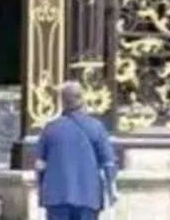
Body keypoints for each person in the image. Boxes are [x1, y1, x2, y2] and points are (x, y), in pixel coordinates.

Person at [33, 81, 117, 220]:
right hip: (88, 196)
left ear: (62, 102)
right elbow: (108, 163)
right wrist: (111, 189)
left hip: (57, 197)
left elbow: (40, 165)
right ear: (82, 99)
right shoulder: (96, 127)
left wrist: (41, 191)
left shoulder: (50, 129)